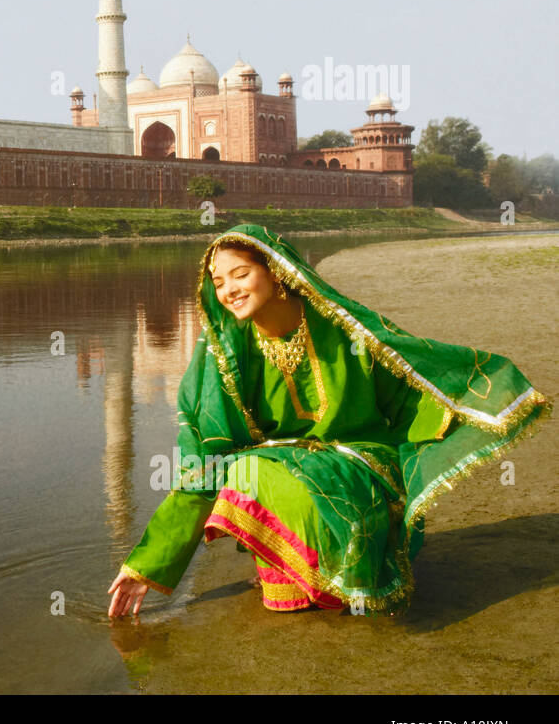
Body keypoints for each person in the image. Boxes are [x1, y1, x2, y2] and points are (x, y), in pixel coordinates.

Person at [107, 224, 553, 617]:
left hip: (362, 459)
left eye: (241, 275)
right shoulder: (225, 352)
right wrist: (150, 565)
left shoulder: (344, 329)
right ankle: (296, 571)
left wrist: (470, 408)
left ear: (278, 272)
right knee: (237, 469)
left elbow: (414, 380)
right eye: (218, 283)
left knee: (250, 470)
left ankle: (342, 568)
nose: (229, 291)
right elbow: (205, 454)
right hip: (280, 464)